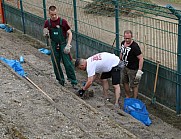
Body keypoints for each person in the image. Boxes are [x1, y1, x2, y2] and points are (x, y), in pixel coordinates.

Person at [43, 5, 77, 89]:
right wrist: (45, 34)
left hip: (63, 44)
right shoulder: (48, 23)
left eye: (55, 14)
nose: (54, 16)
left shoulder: (63, 22)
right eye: (52, 15)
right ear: (49, 14)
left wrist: (68, 45)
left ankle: (73, 81)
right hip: (54, 45)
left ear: (57, 12)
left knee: (68, 64)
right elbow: (45, 32)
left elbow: (70, 33)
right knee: (55, 63)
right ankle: (61, 80)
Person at [119, 30, 144, 98]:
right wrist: (120, 60)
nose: (127, 40)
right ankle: (128, 95)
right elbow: (121, 52)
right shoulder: (122, 43)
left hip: (133, 69)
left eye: (128, 38)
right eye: (125, 38)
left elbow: (141, 58)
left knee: (134, 85)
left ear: (132, 37)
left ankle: (134, 99)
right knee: (124, 81)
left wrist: (139, 71)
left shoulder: (135, 47)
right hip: (125, 66)